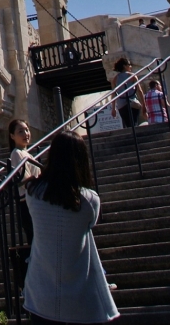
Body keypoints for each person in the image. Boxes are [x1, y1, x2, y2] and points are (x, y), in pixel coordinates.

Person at [23, 131, 118, 323]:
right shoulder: (90, 200)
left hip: (41, 290)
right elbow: (90, 224)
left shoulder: (33, 193)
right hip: (80, 291)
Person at [8, 118, 41, 250]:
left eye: (27, 130)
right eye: (20, 131)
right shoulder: (16, 154)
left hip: (33, 199)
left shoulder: (27, 154)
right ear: (12, 136)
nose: (25, 134)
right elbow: (24, 179)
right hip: (27, 201)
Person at [111, 56, 146, 128]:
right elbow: (139, 90)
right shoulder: (132, 76)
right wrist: (144, 104)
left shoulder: (115, 79)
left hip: (121, 105)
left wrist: (113, 108)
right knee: (134, 122)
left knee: (128, 125)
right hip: (132, 102)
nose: (131, 66)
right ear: (124, 66)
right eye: (129, 64)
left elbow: (113, 94)